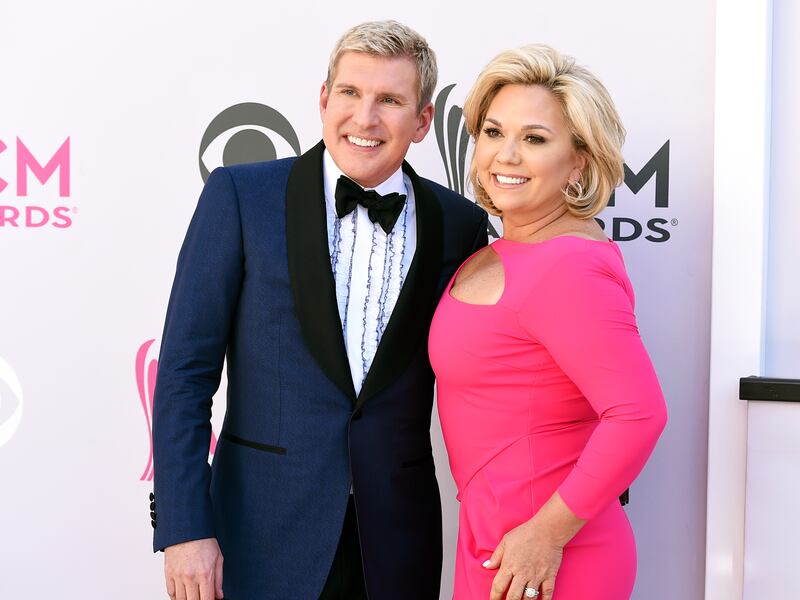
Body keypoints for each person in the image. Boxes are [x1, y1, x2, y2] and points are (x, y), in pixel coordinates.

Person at [150, 20, 488, 600]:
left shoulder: (458, 224)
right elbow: (184, 373)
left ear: (423, 120)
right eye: (351, 94)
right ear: (324, 97)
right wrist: (185, 528)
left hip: (397, 542)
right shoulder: (241, 195)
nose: (365, 118)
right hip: (257, 534)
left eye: (390, 100)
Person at [428, 45, 667, 600]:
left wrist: (546, 535)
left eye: (534, 139)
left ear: (578, 160)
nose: (505, 155)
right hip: (494, 544)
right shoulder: (491, 254)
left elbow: (638, 414)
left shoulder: (570, 265)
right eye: (492, 132)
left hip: (551, 557)